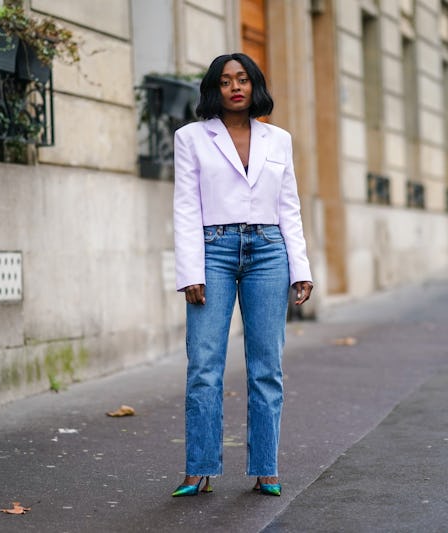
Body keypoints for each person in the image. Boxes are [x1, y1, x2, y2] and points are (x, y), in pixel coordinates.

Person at [171, 53, 314, 497]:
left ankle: (266, 468)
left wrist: (300, 268)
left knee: (266, 367)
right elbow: (185, 206)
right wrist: (190, 269)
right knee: (205, 365)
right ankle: (200, 469)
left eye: (244, 79)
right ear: (214, 88)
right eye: (227, 80)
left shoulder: (279, 140)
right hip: (213, 251)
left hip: (269, 252)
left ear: (255, 86)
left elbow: (288, 205)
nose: (236, 87)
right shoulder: (191, 138)